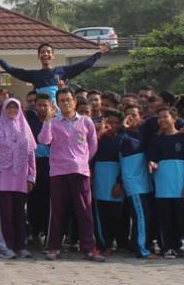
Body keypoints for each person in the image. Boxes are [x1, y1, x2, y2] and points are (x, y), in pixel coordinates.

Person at [37, 88, 104, 262]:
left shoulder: (85, 121)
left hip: (80, 171)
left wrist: (82, 161)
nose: (65, 103)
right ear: (57, 104)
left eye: (68, 100)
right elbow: (43, 140)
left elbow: (93, 145)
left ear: (74, 101)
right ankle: (53, 247)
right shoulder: (53, 121)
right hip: (58, 172)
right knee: (58, 211)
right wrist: (48, 121)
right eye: (62, 100)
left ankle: (89, 248)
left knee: (84, 211)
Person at [0, 98, 36, 259]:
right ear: (4, 109)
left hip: (21, 178)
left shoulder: (25, 127)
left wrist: (32, 176)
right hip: (2, 178)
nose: (12, 110)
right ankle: (6, 246)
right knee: (5, 215)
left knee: (20, 215)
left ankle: (21, 246)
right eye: (9, 107)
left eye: (15, 107)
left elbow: (31, 153)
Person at [147, 106, 184, 260]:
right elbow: (152, 159)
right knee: (166, 219)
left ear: (174, 119)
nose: (162, 120)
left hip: (181, 187)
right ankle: (170, 247)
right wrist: (152, 164)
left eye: (165, 117)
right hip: (162, 188)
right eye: (159, 118)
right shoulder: (156, 140)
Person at [0, 42, 110, 101]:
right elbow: (12, 70)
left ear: (53, 56)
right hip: (42, 114)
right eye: (43, 52)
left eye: (49, 52)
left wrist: (99, 53)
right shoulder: (34, 75)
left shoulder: (63, 71)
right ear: (39, 56)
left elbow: (84, 65)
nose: (46, 54)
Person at [118, 108, 154, 258]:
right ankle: (141, 249)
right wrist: (123, 127)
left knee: (144, 215)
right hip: (133, 183)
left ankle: (137, 244)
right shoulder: (123, 136)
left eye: (134, 114)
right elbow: (118, 144)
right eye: (128, 115)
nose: (131, 117)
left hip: (145, 182)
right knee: (140, 216)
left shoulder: (144, 135)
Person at [92, 110, 127, 255]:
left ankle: (115, 243)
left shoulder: (123, 140)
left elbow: (125, 164)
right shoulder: (97, 139)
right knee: (101, 216)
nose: (112, 126)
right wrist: (98, 136)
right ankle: (103, 245)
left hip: (116, 183)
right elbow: (89, 155)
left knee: (116, 215)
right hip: (100, 183)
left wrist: (119, 182)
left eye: (116, 123)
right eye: (109, 123)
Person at [25, 93, 53, 247]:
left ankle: (49, 234)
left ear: (50, 106)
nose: (42, 108)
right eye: (39, 105)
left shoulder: (55, 122)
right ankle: (34, 233)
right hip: (34, 164)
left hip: (51, 165)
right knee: (33, 199)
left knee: (49, 201)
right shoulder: (30, 122)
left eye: (45, 105)